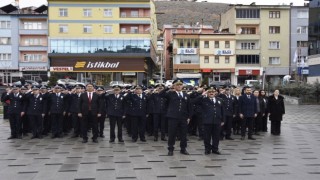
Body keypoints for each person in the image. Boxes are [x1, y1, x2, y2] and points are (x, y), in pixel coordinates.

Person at [160, 79, 192, 156]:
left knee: (184, 134)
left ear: (182, 86)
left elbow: (189, 107)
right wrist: (168, 87)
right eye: (177, 85)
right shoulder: (171, 94)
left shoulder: (186, 95)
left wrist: (189, 117)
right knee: (172, 134)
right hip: (173, 117)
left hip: (183, 117)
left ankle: (183, 149)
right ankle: (170, 149)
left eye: (180, 85)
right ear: (174, 86)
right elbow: (161, 94)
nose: (179, 86)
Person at [193, 87, 225, 155]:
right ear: (207, 93)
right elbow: (194, 101)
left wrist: (223, 120)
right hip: (207, 121)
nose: (211, 93)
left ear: (215, 93)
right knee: (207, 136)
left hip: (217, 121)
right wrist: (202, 94)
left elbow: (222, 111)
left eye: (213, 92)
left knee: (216, 136)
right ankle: (207, 149)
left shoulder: (220, 100)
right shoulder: (204, 100)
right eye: (210, 92)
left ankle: (215, 149)